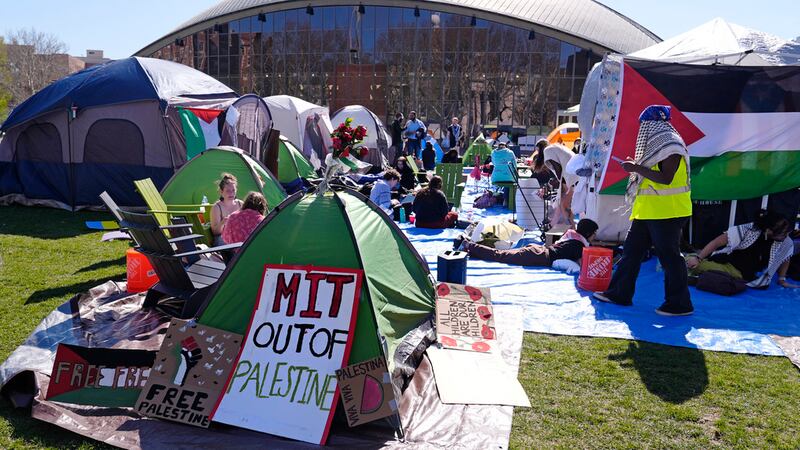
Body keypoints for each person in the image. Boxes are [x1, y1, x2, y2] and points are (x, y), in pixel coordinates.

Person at [593, 105, 694, 316]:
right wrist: (637, 166)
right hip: (648, 212)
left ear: (653, 125)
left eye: (645, 125)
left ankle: (680, 304)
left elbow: (666, 178)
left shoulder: (672, 146)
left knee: (670, 258)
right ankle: (619, 293)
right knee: (631, 253)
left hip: (668, 212)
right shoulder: (661, 146)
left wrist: (636, 168)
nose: (642, 130)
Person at [687, 211, 798, 288]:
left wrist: (782, 279)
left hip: (741, 274)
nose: (786, 236)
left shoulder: (785, 241)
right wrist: (698, 258)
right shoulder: (748, 229)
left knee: (728, 281)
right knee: (692, 263)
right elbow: (717, 242)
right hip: (729, 264)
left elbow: (786, 255)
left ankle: (700, 278)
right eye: (783, 234)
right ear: (768, 231)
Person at [461, 219, 599, 267]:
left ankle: (471, 248)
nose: (595, 236)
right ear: (588, 234)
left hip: (537, 251)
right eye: (594, 233)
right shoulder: (579, 246)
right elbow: (583, 265)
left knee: (501, 254)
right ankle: (469, 245)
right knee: (499, 255)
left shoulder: (573, 237)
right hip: (537, 256)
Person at [534, 143, 577, 228]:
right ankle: (557, 225)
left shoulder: (548, 151)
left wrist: (557, 181)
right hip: (573, 175)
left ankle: (570, 228)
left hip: (571, 176)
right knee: (563, 204)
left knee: (564, 205)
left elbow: (558, 169)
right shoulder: (554, 148)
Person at [210, 173, 243, 246]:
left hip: (239, 236)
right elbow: (215, 232)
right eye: (228, 191)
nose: (231, 193)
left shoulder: (241, 204)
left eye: (233, 190)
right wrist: (223, 222)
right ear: (221, 192)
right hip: (222, 239)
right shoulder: (217, 207)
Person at [490, 142, 517, 207]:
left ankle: (502, 198)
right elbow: (514, 165)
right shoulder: (510, 153)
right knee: (509, 179)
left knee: (504, 179)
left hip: (496, 177)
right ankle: (508, 200)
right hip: (509, 177)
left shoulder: (493, 153)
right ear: (506, 146)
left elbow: (493, 163)